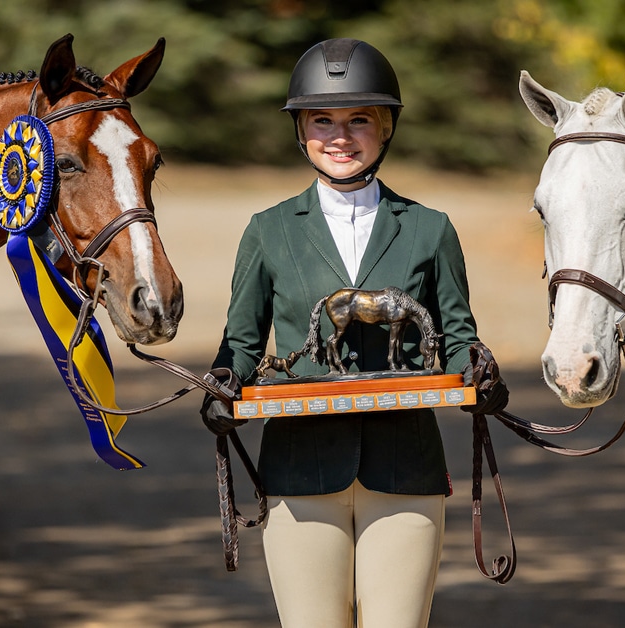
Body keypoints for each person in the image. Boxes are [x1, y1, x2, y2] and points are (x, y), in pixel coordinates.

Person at [201, 38, 509, 628]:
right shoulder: (267, 232)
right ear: (301, 130)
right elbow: (240, 345)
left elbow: (460, 334)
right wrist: (222, 388)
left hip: (406, 471)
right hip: (299, 470)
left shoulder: (430, 229)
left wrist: (481, 374)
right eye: (323, 120)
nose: (341, 137)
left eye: (359, 120)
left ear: (385, 127)